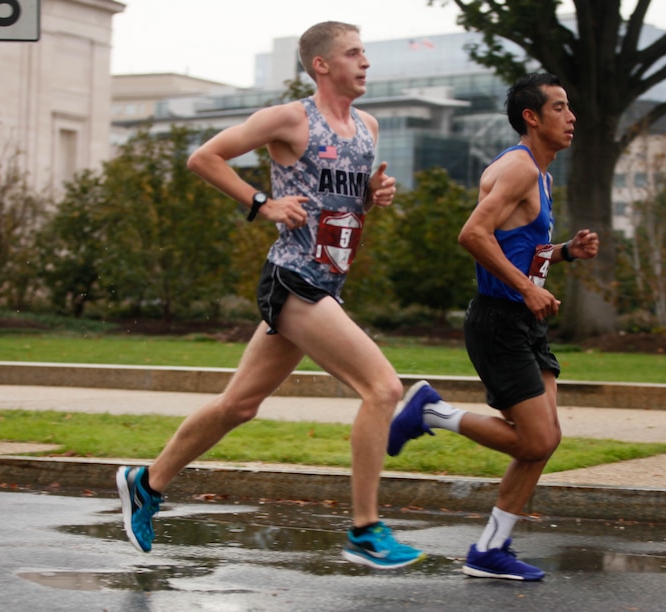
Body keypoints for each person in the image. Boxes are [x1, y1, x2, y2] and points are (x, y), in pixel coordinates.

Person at [115, 21, 425, 570]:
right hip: (292, 277)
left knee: (240, 404)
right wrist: (262, 203)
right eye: (354, 54)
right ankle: (364, 528)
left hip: (326, 280)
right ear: (322, 65)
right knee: (383, 388)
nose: (365, 63)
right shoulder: (290, 118)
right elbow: (204, 157)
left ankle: (148, 481)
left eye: (365, 54)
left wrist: (374, 195)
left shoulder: (366, 127)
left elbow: (345, 202)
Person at [386, 72, 599, 581]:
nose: (571, 118)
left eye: (570, 108)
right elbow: (474, 234)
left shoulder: (540, 176)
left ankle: (491, 548)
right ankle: (431, 412)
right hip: (500, 321)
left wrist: (565, 252)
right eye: (560, 108)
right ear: (532, 116)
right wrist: (527, 289)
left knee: (543, 441)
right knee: (535, 440)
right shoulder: (520, 170)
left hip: (524, 322)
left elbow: (515, 244)